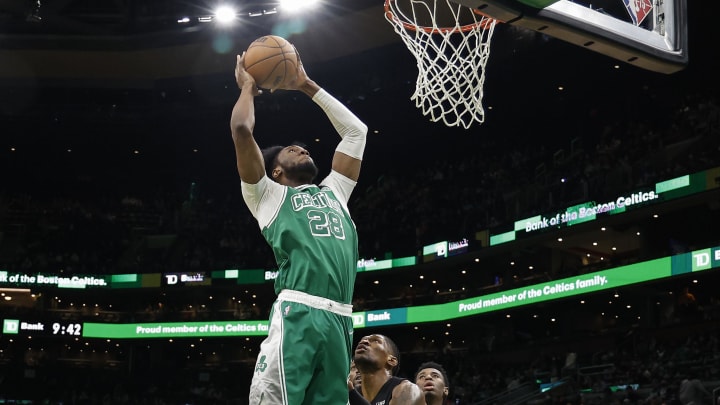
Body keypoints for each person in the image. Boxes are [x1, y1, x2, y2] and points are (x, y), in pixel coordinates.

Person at [231, 48, 368, 405]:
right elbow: (242, 129)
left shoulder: (335, 192)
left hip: (341, 319)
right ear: (275, 171)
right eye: (290, 151)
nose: (300, 149)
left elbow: (356, 132)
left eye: (302, 148)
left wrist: (306, 84)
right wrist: (247, 87)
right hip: (299, 312)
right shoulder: (267, 196)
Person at [349, 334, 425, 405]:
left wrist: (352, 395)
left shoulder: (407, 390)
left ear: (391, 361)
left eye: (376, 341)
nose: (363, 341)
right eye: (361, 340)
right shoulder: (348, 396)